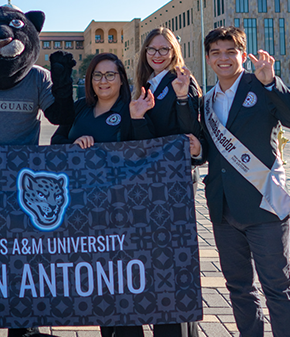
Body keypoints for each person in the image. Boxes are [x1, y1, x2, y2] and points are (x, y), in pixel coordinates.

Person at [52, 52, 201, 337]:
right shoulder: (80, 107)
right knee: (108, 286)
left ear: (122, 78)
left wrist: (138, 118)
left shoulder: (132, 109)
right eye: (97, 75)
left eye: (110, 75)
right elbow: (57, 141)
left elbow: (147, 149)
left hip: (131, 215)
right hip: (91, 214)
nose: (103, 81)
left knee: (141, 280)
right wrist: (74, 144)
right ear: (89, 80)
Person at [199, 26, 290, 337]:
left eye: (230, 51)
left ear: (242, 55)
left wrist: (273, 82)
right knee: (238, 289)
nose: (224, 58)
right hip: (223, 210)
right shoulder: (206, 101)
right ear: (208, 58)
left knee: (277, 287)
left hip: (264, 205)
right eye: (216, 52)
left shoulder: (261, 85)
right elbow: (211, 151)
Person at [131, 28, 202, 337]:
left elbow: (189, 134)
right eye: (152, 49)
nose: (157, 54)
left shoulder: (180, 82)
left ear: (174, 52)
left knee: (175, 262)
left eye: (164, 49)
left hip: (174, 181)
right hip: (153, 181)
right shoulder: (148, 85)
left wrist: (184, 96)